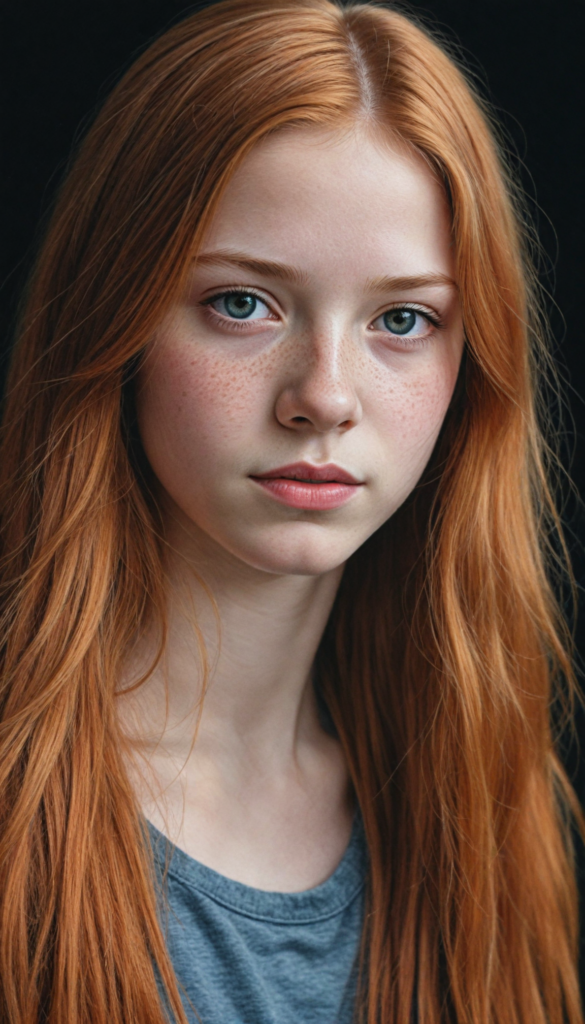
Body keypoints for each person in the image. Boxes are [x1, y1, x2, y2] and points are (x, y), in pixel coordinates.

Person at [0, 0, 582, 1022]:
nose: (324, 395)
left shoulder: (478, 810)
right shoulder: (19, 812)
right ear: (115, 316)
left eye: (402, 319)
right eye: (242, 303)